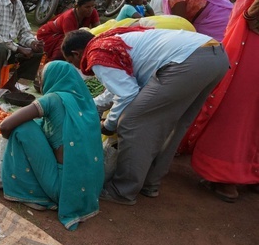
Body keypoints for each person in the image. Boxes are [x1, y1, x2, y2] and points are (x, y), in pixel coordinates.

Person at [61, 27, 229, 205]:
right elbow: (120, 87)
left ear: (76, 53)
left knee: (130, 123)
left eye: (72, 62)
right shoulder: (110, 41)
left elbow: (127, 94)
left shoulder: (95, 53)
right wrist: (94, 106)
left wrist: (109, 125)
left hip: (187, 61)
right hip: (215, 57)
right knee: (176, 123)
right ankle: (150, 183)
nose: (77, 67)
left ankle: (123, 190)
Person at [180, 0, 259, 202]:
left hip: (251, 48)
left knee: (235, 113)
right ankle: (253, 174)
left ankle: (225, 180)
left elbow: (249, 13)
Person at [0, 60, 103, 229]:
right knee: (40, 126)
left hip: (61, 189)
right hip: (87, 191)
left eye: (41, 77)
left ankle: (35, 194)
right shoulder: (86, 102)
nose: (40, 81)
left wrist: (7, 145)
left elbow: (5, 125)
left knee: (23, 129)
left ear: (53, 78)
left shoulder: (53, 99)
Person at [36, 0, 100, 61]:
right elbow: (70, 41)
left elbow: (98, 29)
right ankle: (54, 63)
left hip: (69, 36)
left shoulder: (93, 12)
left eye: (93, 6)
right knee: (63, 48)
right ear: (77, 6)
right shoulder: (68, 18)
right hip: (49, 35)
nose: (90, 9)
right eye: (87, 7)